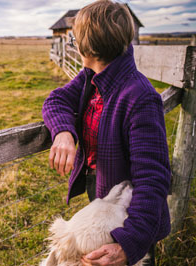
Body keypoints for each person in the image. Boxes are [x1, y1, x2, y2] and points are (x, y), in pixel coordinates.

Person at [42, 1, 171, 265]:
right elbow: (56, 100)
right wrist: (64, 132)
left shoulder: (140, 97)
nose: (73, 42)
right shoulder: (93, 75)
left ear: (86, 46)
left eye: (75, 37)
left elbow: (153, 180)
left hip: (132, 212)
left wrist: (130, 243)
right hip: (102, 191)